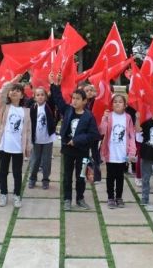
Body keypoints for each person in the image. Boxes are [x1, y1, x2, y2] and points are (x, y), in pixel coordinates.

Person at [50, 72, 99, 211]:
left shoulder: (89, 116)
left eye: (78, 99)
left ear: (84, 101)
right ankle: (67, 199)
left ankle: (80, 198)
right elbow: (58, 99)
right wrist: (55, 85)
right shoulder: (68, 111)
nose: (74, 101)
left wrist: (77, 140)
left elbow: (93, 134)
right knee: (67, 176)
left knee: (81, 175)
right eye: (73, 98)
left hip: (82, 151)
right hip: (68, 150)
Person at [0, 76, 31, 208]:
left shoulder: (25, 111)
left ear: (22, 95)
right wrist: (16, 79)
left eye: (17, 91)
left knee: (17, 172)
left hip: (18, 148)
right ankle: (3, 194)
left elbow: (28, 131)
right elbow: (2, 91)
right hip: (4, 145)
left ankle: (16, 195)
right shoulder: (4, 107)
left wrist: (28, 147)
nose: (14, 92)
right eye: (12, 90)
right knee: (3, 171)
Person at [99, 94, 136, 209]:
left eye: (120, 102)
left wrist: (131, 152)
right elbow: (102, 131)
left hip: (122, 154)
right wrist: (104, 119)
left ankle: (119, 197)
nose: (117, 104)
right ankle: (110, 197)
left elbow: (131, 135)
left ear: (125, 105)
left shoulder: (128, 117)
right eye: (115, 102)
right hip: (111, 153)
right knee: (110, 176)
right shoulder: (109, 116)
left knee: (120, 177)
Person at [27, 87, 56, 190]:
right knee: (35, 160)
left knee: (46, 161)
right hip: (36, 139)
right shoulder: (32, 108)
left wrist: (53, 85)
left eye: (42, 95)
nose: (40, 97)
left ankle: (45, 179)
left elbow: (54, 94)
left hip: (47, 139)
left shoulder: (49, 106)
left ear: (46, 97)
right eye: (38, 95)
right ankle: (32, 178)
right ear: (34, 97)